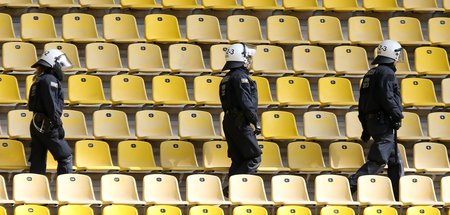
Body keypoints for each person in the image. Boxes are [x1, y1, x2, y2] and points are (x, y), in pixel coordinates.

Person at [348, 40, 404, 200]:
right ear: (394, 54)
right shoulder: (387, 73)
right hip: (383, 122)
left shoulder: (370, 73)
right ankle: (350, 184)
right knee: (379, 160)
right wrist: (397, 114)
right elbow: (387, 96)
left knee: (395, 161)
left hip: (374, 122)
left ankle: (399, 195)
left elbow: (363, 103)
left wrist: (365, 127)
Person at [219, 43, 261, 196]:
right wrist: (254, 120)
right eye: (248, 57)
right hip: (239, 122)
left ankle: (232, 193)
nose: (250, 60)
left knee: (238, 160)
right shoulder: (240, 77)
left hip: (229, 121)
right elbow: (245, 102)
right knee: (254, 157)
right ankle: (232, 189)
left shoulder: (227, 78)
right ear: (242, 59)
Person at [28, 49, 73, 175]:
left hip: (37, 123)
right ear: (53, 63)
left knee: (38, 160)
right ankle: (66, 190)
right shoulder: (50, 80)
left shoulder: (41, 78)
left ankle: (35, 191)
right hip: (47, 125)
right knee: (65, 157)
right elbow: (51, 105)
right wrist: (58, 125)